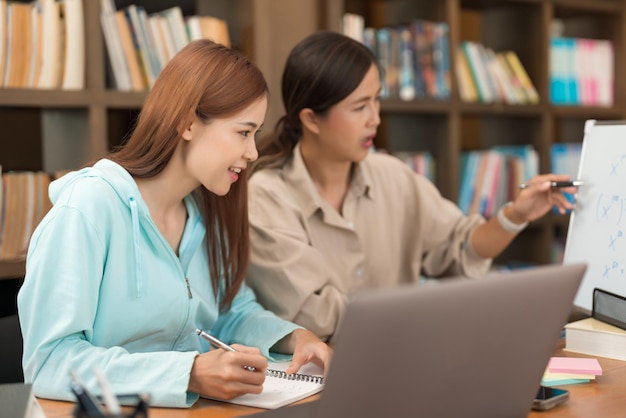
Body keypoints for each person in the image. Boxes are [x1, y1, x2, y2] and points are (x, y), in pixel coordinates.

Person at [17, 39, 331, 408]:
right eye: (243, 132)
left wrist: (298, 339)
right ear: (187, 123)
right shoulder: (88, 209)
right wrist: (190, 372)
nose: (253, 153)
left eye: (255, 134)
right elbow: (50, 361)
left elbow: (232, 312)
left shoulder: (206, 214)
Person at [245, 31, 576, 343]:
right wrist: (426, 315)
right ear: (311, 119)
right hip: (318, 373)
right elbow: (313, 316)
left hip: (401, 357)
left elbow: (460, 247)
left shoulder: (392, 175)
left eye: (376, 101)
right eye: (359, 107)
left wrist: (517, 215)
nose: (375, 118)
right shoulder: (267, 196)